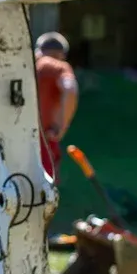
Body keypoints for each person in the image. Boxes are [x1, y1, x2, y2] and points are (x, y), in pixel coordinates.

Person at [34, 31, 78, 181]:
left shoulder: (26, 66)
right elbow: (70, 89)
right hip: (44, 141)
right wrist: (61, 126)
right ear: (62, 54)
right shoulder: (58, 67)